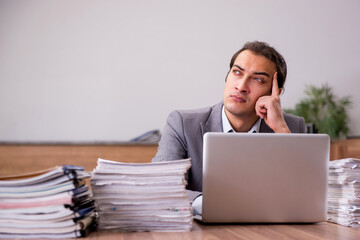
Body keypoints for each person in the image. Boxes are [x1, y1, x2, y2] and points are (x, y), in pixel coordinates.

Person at [152, 41, 307, 213]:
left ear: (274, 92)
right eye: (237, 72)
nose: (241, 87)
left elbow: (306, 195)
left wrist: (282, 131)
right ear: (227, 77)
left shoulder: (292, 128)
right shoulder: (182, 123)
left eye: (258, 79)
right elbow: (161, 186)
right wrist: (210, 204)